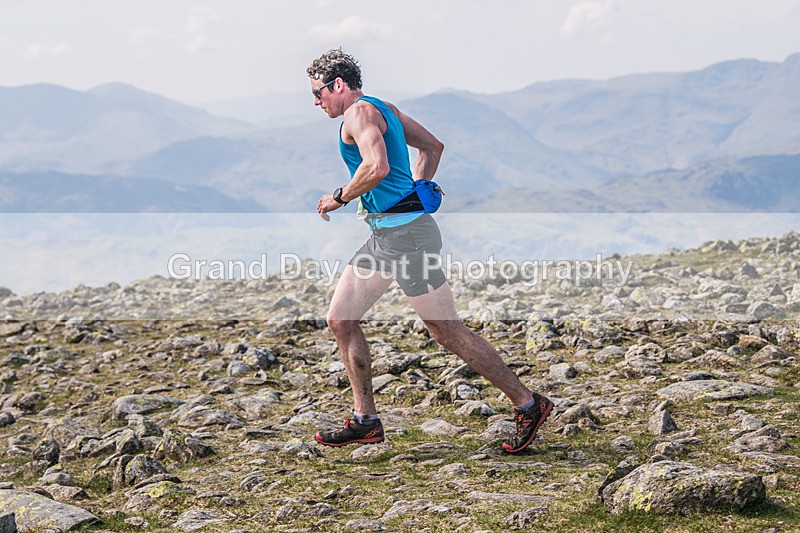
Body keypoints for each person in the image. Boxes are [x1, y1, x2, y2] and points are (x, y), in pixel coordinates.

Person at [307, 49, 552, 453]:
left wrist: (339, 196)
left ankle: (528, 403)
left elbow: (377, 167)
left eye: (318, 93)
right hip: (392, 236)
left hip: (407, 240)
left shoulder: (358, 114)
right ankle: (365, 420)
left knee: (445, 329)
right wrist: (410, 197)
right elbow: (434, 147)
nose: (316, 102)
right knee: (341, 320)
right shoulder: (385, 108)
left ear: (338, 86)